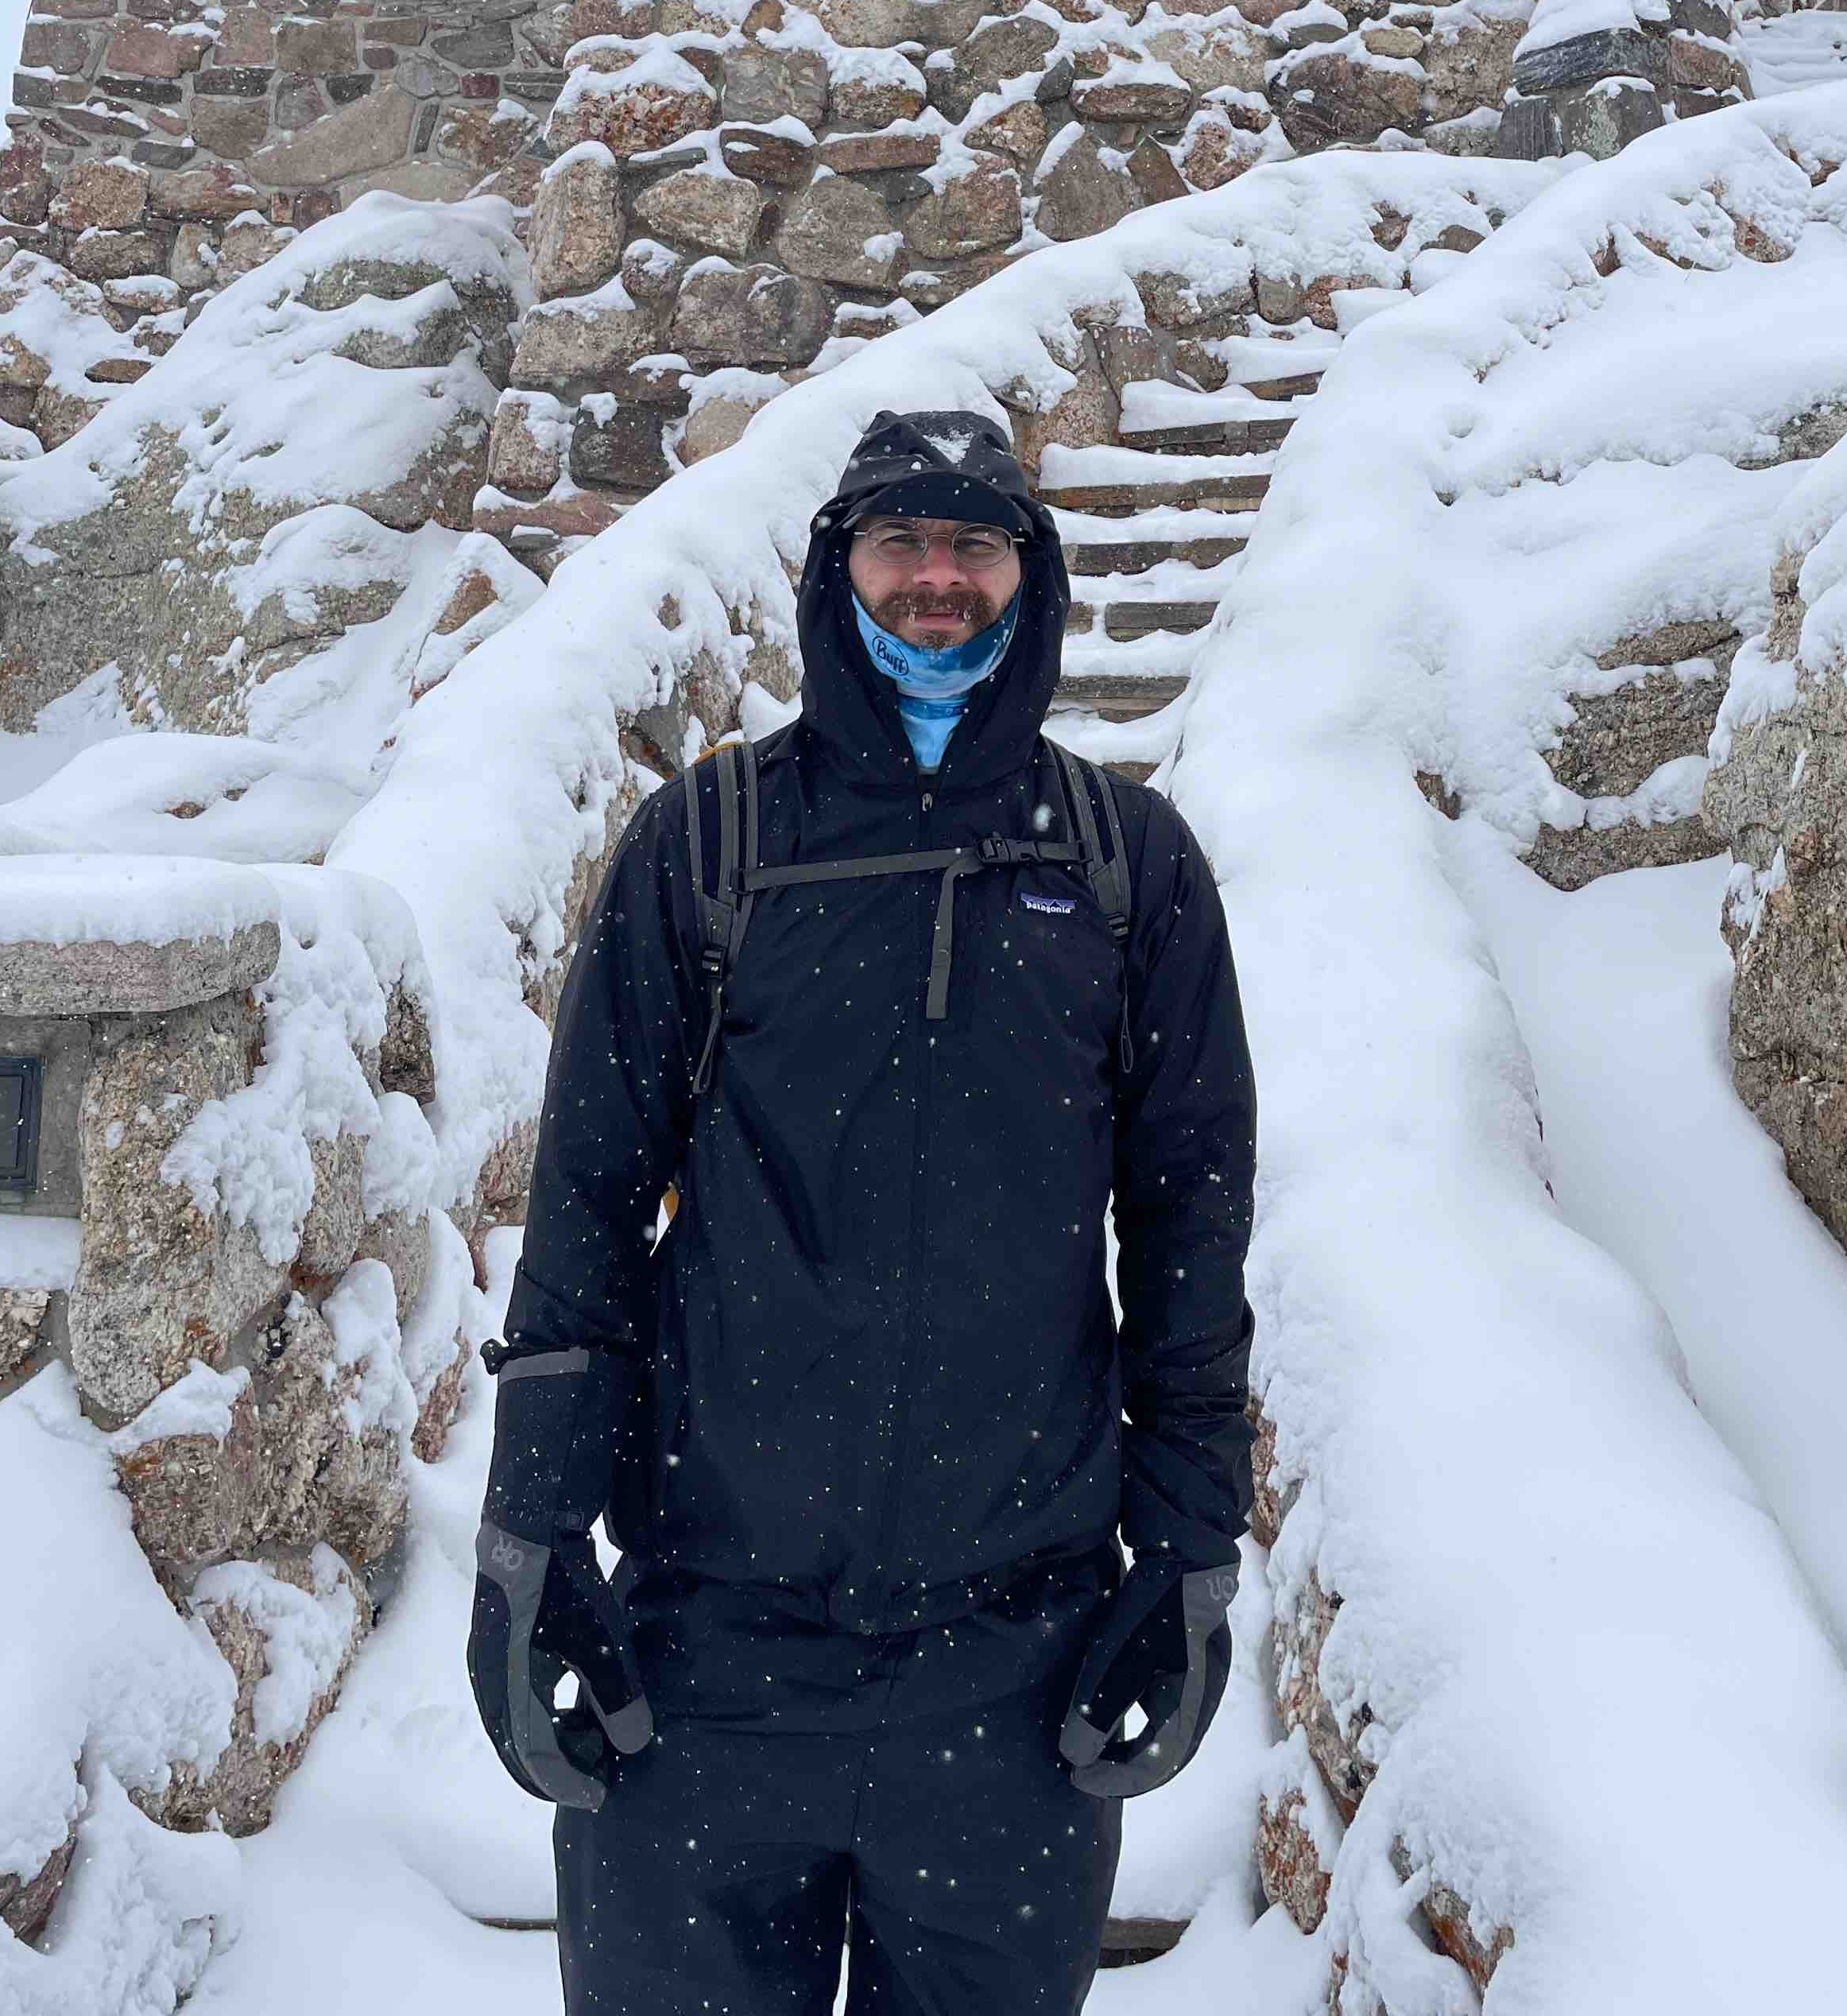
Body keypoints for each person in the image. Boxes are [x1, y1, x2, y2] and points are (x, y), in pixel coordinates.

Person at [467, 405, 1258, 2015]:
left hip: (1014, 1661)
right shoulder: (713, 841)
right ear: (839, 574)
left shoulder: (1124, 862)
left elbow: (1190, 1223)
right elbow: (593, 1201)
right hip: (708, 1648)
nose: (937, 577)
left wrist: (1186, 1554)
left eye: (975, 543)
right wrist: (534, 1532)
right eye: (901, 541)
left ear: (1029, 578)